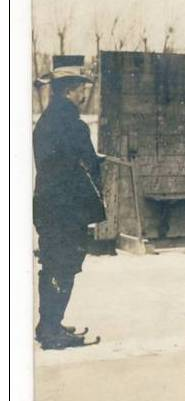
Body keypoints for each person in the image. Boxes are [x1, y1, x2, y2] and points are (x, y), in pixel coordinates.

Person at [33, 56, 105, 350]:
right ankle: (52, 333)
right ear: (67, 91)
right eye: (79, 89)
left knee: (52, 264)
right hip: (66, 210)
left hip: (48, 205)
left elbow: (57, 162)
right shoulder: (73, 125)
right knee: (64, 266)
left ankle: (48, 325)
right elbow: (85, 163)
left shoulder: (46, 121)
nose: (83, 95)